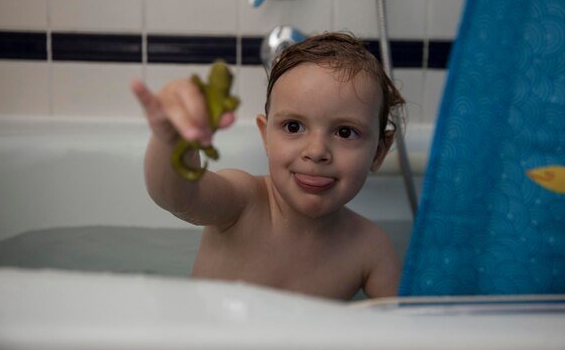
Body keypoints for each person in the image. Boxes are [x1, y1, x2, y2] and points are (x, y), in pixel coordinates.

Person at [131, 31, 405, 300]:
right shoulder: (240, 203)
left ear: (378, 152)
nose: (317, 151)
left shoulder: (370, 250)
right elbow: (177, 196)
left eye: (345, 132)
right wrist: (171, 140)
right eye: (293, 126)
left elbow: (408, 329)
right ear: (266, 136)